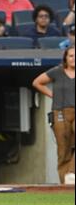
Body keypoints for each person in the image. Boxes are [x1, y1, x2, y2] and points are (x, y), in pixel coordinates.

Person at [32, 46, 75, 185]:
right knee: (63, 150)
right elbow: (37, 82)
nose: (74, 58)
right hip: (60, 113)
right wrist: (52, 95)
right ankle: (66, 184)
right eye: (71, 56)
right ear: (66, 58)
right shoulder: (57, 71)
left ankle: (72, 172)